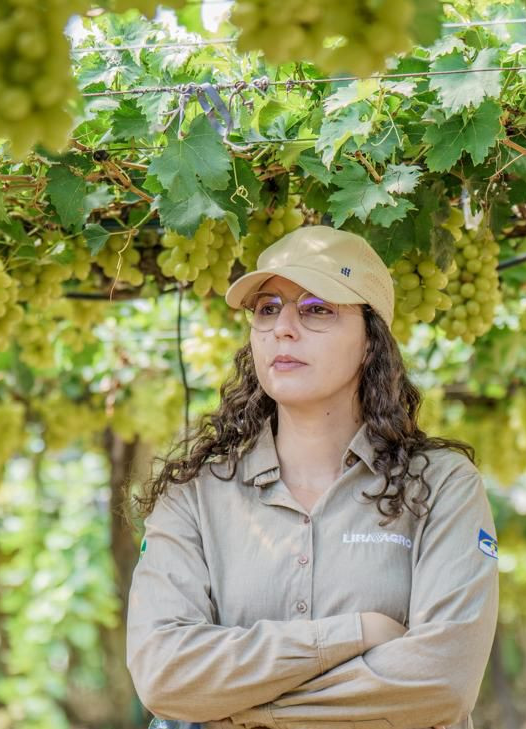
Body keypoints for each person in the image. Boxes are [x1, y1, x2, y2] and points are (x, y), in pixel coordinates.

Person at [126, 224, 499, 729]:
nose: (283, 327)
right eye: (267, 308)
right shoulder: (192, 496)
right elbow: (165, 676)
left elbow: (440, 684)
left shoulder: (441, 487)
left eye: (317, 309)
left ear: (372, 343)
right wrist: (355, 634)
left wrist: (236, 710)